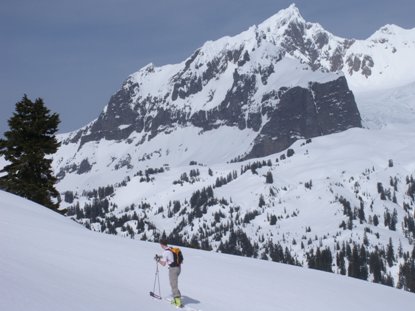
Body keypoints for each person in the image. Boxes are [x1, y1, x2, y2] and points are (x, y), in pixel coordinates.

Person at [156, 239, 182, 307]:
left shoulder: (165, 252)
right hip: (178, 268)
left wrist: (158, 260)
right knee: (173, 284)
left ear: (161, 244)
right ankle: (177, 298)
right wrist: (160, 257)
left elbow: (164, 264)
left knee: (173, 285)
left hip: (173, 269)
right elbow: (169, 256)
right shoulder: (171, 248)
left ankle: (178, 301)